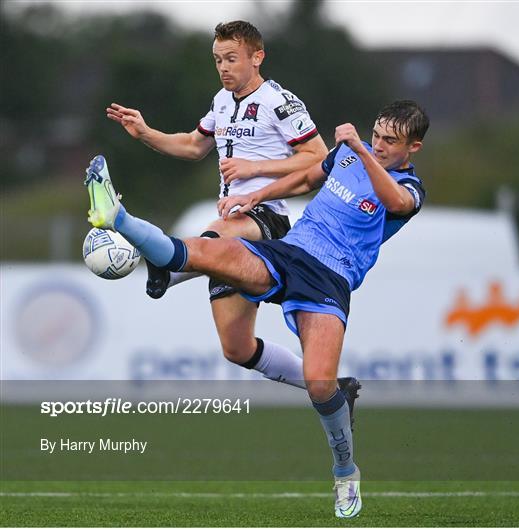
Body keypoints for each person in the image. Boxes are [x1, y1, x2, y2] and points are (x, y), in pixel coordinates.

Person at [85, 99, 430, 517]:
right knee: (205, 250)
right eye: (376, 135)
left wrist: (359, 149)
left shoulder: (408, 187)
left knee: (321, 384)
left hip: (331, 277)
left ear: (413, 147)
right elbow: (306, 178)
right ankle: (120, 219)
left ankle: (345, 472)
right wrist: (257, 194)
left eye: (390, 141)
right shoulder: (347, 154)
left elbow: (393, 201)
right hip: (290, 252)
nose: (378, 145)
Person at [105, 20, 349, 398]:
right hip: (234, 220)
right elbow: (191, 145)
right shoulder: (221, 101)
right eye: (218, 59)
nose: (223, 67)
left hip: (266, 219)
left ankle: (167, 269)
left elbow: (318, 157)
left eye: (231, 58)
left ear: (257, 57)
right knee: (237, 348)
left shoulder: (279, 101)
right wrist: (146, 133)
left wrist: (256, 169)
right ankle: (332, 389)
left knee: (218, 231)